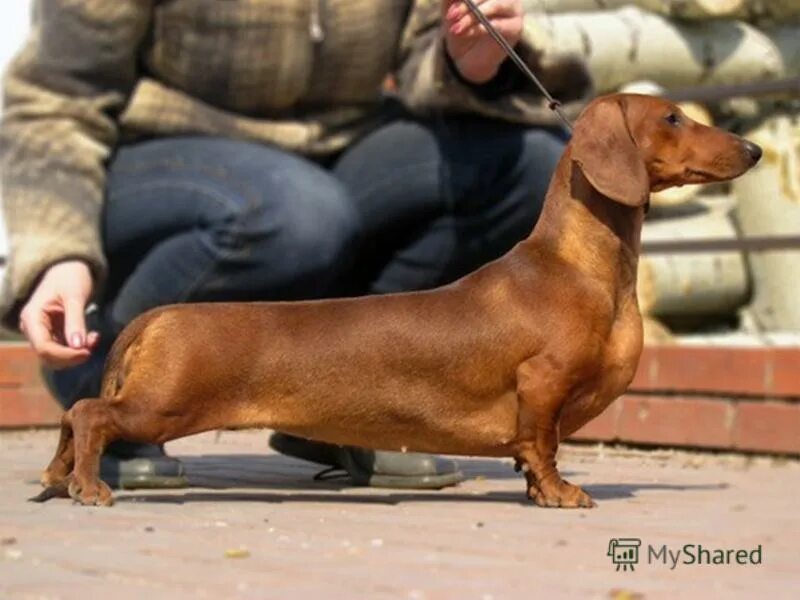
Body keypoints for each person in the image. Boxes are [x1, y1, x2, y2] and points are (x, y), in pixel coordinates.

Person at [0, 0, 590, 489]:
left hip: (338, 148)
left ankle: (347, 412)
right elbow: (52, 103)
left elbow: (420, 60)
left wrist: (468, 63)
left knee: (521, 166)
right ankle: (109, 389)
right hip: (159, 157)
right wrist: (59, 253)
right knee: (296, 213)